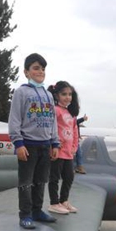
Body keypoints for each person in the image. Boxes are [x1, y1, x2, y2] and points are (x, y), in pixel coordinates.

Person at [8, 53, 60, 229]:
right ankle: (25, 214)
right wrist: (18, 144)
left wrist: (55, 143)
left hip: (45, 145)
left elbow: (53, 121)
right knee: (26, 183)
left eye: (43, 69)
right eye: (36, 68)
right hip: (28, 145)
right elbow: (14, 119)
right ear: (26, 72)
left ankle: (37, 211)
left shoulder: (48, 95)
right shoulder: (21, 92)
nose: (40, 71)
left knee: (41, 181)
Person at [47, 81, 80, 214]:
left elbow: (75, 131)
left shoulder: (71, 113)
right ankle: (54, 203)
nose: (68, 97)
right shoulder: (55, 110)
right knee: (54, 178)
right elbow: (50, 128)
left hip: (68, 152)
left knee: (69, 177)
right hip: (57, 151)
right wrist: (52, 144)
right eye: (64, 94)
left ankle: (63, 200)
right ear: (56, 95)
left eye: (70, 94)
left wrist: (74, 147)